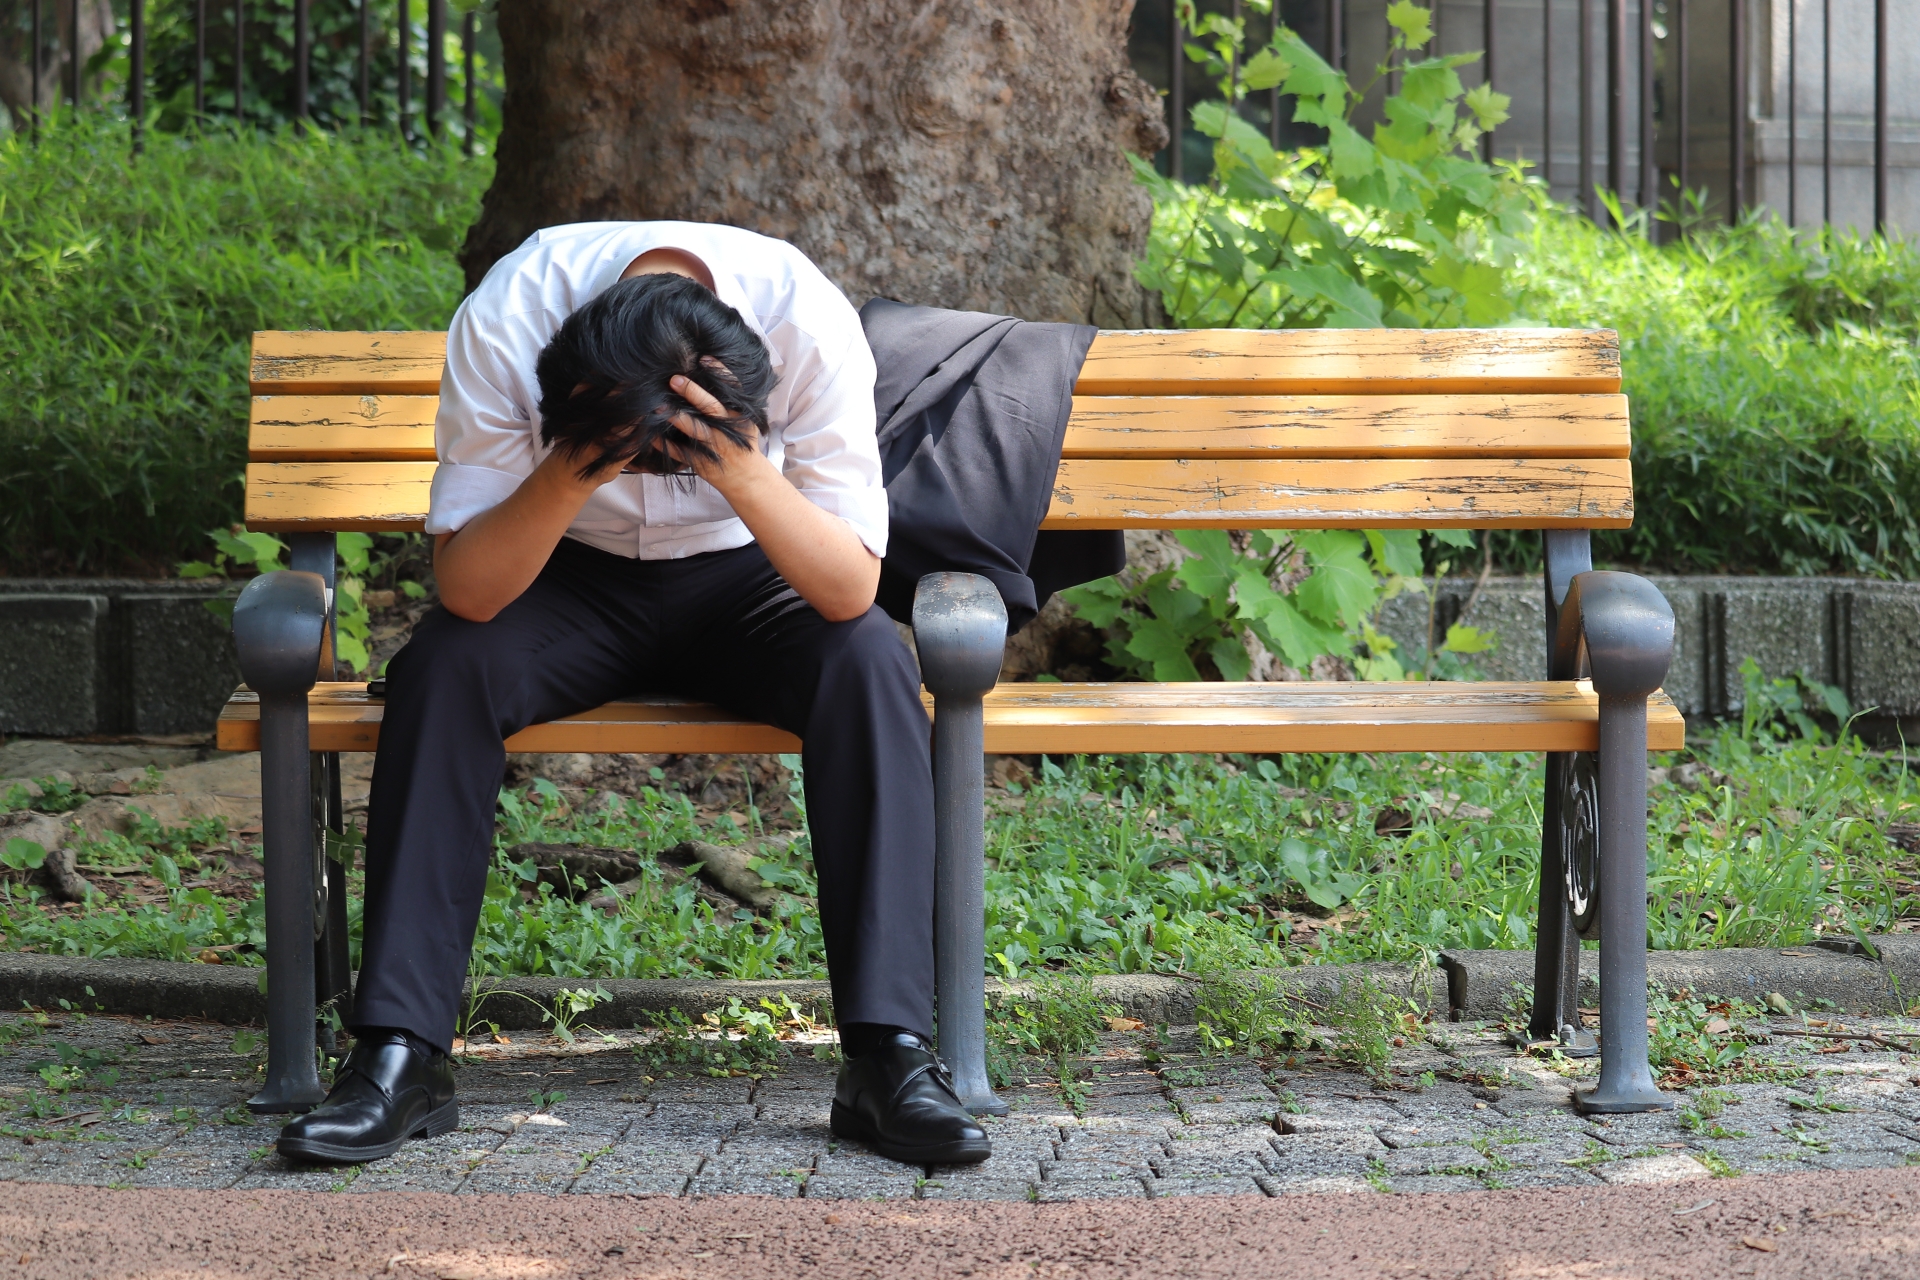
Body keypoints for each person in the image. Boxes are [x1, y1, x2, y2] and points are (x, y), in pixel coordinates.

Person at [276, 221, 990, 1169]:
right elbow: (472, 587)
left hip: (754, 573)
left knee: (866, 663)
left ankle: (887, 1058)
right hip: (564, 572)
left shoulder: (805, 319)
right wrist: (579, 460)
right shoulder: (510, 315)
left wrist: (732, 465)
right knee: (445, 668)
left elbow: (847, 588)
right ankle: (401, 1057)